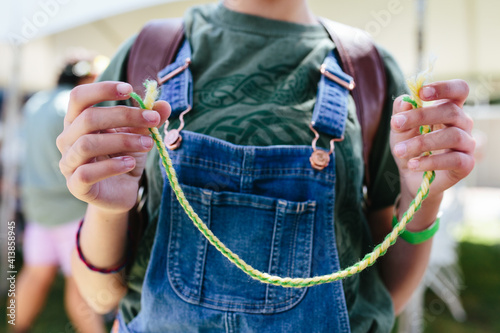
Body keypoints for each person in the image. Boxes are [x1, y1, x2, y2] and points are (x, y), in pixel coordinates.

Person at [56, 1, 475, 332]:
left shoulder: (369, 71)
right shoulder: (147, 56)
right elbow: (99, 298)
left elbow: (384, 294)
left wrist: (425, 194)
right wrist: (107, 209)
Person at [14, 54, 107, 333]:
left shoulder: (35, 103)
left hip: (38, 207)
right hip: (71, 208)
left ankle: (16, 328)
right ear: (86, 77)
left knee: (34, 275)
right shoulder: (73, 107)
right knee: (80, 284)